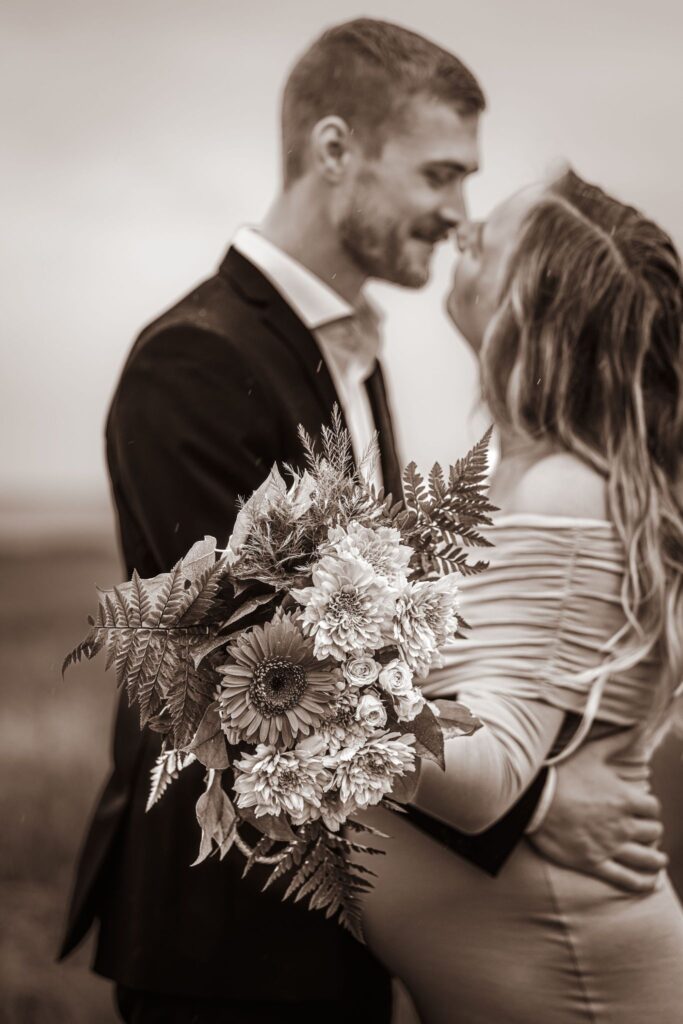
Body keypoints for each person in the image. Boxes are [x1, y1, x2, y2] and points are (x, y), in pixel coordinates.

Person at [59, 19, 665, 1023]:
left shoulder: (356, 349)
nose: (453, 213)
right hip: (230, 932)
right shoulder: (196, 359)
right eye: (438, 175)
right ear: (334, 150)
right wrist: (544, 807)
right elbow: (248, 671)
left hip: (342, 908)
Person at [359, 168, 683, 1023]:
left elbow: (488, 775)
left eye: (485, 241)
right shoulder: (526, 478)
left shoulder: (561, 494)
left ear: (526, 313)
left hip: (580, 989)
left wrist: (296, 688)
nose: (459, 235)